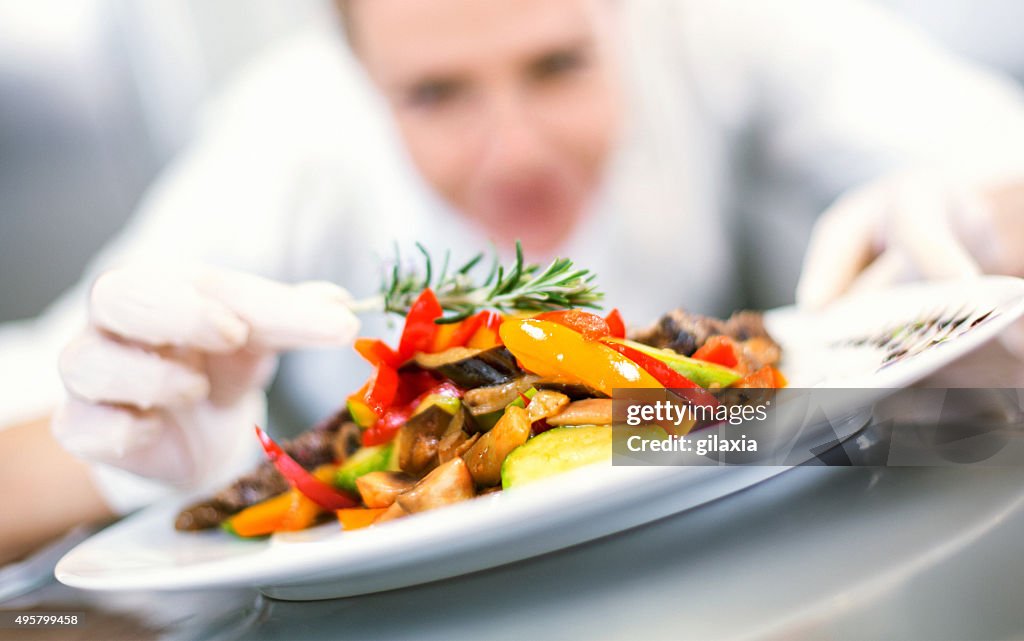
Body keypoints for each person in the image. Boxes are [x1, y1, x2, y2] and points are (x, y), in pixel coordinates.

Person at [2, 0, 1024, 566]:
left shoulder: (713, 27)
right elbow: (30, 411)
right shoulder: (284, 133)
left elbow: (994, 150)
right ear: (359, 72)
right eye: (437, 93)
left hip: (756, 535)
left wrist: (983, 213)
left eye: (554, 66)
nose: (514, 151)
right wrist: (123, 450)